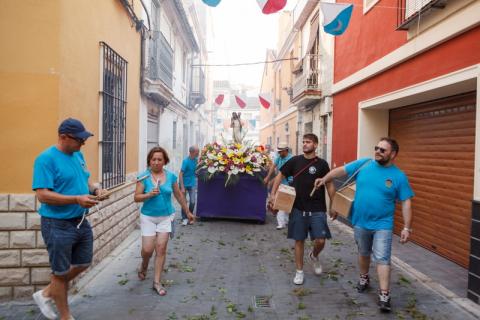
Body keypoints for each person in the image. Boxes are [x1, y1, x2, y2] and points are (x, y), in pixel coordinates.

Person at [313, 137, 414, 312]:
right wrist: (324, 178)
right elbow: (340, 171)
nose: (378, 151)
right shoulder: (364, 164)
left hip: (383, 224)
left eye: (383, 150)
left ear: (393, 154)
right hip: (360, 221)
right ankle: (364, 277)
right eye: (377, 148)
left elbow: (406, 202)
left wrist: (406, 227)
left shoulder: (399, 176)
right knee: (363, 252)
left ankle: (384, 295)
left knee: (382, 258)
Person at [32, 118, 107, 320]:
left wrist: (96, 189)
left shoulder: (77, 154)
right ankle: (65, 316)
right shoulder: (45, 159)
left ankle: (46, 293)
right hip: (57, 225)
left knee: (83, 262)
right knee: (61, 273)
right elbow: (42, 194)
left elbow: (85, 179)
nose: (83, 143)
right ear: (63, 137)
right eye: (79, 139)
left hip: (80, 221)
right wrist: (76, 198)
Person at [270, 133, 335, 285]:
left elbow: (330, 185)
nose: (305, 144)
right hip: (297, 207)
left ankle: (314, 255)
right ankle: (299, 272)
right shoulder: (295, 161)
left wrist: (334, 205)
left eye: (309, 142)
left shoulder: (322, 164)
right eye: (304, 142)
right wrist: (273, 194)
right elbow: (279, 176)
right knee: (299, 240)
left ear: (316, 145)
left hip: (318, 208)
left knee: (320, 240)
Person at [134, 146, 194, 296]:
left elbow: (179, 195)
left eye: (159, 159)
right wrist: (148, 195)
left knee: (161, 249)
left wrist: (187, 211)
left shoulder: (171, 176)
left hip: (166, 217)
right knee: (147, 250)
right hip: (148, 217)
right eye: (153, 159)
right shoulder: (143, 177)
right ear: (149, 161)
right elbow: (136, 197)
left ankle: (157, 282)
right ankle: (144, 264)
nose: (156, 162)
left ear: (164, 161)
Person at [263, 142, 293, 229]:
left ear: (285, 150)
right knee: (281, 202)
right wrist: (268, 177)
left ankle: (284, 221)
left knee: (285, 202)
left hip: (289, 183)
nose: (279, 153)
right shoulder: (279, 157)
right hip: (280, 182)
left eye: (281, 151)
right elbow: (273, 166)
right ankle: (282, 222)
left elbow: (284, 173)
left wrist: (272, 180)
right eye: (278, 151)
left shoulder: (291, 159)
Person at [179, 146, 199, 226]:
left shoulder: (196, 161)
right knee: (184, 202)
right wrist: (182, 187)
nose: (198, 154)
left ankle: (189, 216)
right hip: (184, 183)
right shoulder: (185, 161)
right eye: (197, 152)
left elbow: (196, 171)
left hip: (192, 184)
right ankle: (184, 218)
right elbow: (180, 174)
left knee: (193, 202)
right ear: (191, 152)